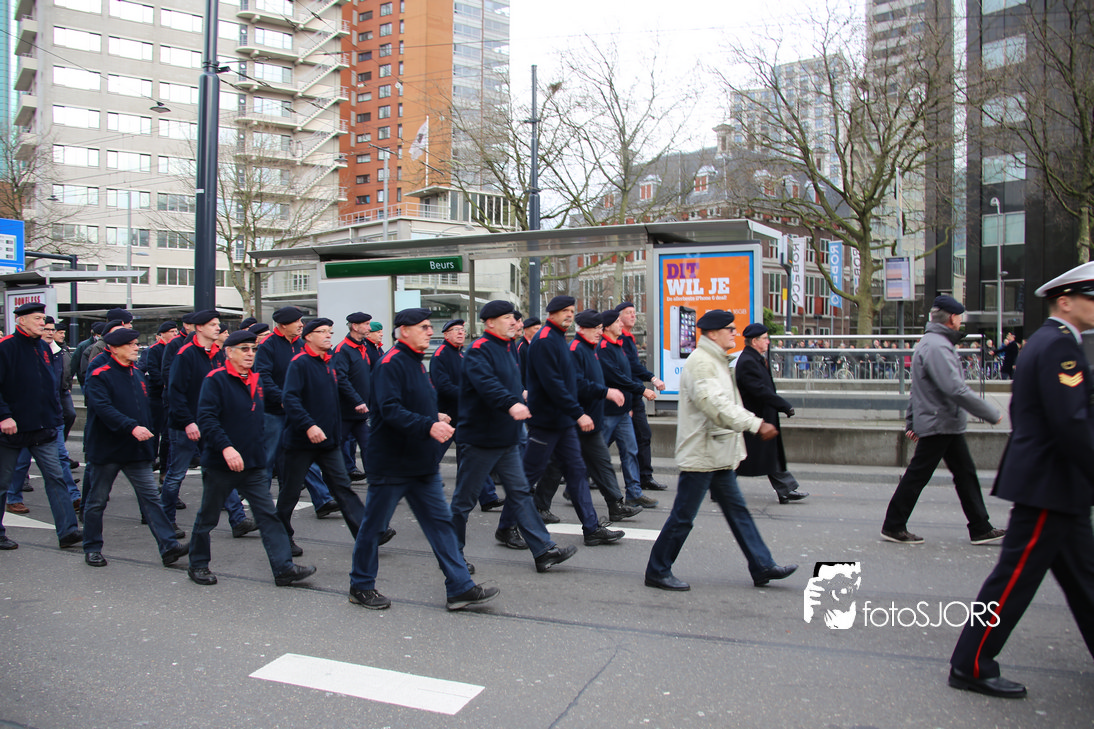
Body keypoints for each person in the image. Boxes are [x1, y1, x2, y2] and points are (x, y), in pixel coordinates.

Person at [949, 263, 1094, 699]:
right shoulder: (1059, 346)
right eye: (1090, 298)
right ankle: (971, 663)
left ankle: (972, 661)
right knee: (1013, 580)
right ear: (1065, 301)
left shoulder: (1050, 342)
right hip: (1050, 484)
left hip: (1055, 485)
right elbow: (1070, 422)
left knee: (1084, 580)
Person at [349, 308, 500, 611]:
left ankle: (459, 587)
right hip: (391, 464)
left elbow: (414, 402)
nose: (430, 332)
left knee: (441, 525)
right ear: (404, 331)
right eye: (424, 327)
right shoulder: (390, 364)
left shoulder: (416, 362)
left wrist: (435, 415)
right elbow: (389, 409)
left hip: (421, 463)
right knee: (374, 528)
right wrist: (429, 425)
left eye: (430, 327)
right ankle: (361, 585)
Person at [645, 309, 797, 592]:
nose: (735, 333)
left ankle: (762, 565)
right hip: (703, 454)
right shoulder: (702, 363)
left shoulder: (716, 360)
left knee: (738, 513)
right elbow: (715, 406)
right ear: (714, 334)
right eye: (730, 329)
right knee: (683, 517)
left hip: (717, 453)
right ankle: (657, 569)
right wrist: (755, 424)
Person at [449, 300, 576, 574]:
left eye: (513, 317)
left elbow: (510, 382)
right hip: (481, 439)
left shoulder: (508, 348)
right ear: (489, 323)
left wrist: (521, 395)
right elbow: (487, 384)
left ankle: (543, 551)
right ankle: (453, 555)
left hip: (506, 437)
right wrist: (511, 403)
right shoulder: (479, 350)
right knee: (463, 502)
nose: (514, 322)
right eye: (507, 317)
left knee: (520, 493)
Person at [189, 329, 316, 587]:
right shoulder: (216, 380)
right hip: (221, 464)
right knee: (208, 516)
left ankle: (283, 568)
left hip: (253, 464)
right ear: (229, 352)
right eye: (245, 349)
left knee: (268, 516)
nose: (251, 354)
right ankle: (198, 564)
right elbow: (207, 419)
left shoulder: (255, 380)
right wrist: (226, 448)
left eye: (254, 349)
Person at [881, 295, 1006, 545]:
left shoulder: (931, 343)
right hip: (940, 421)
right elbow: (955, 389)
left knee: (963, 474)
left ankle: (980, 526)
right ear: (952, 318)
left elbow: (917, 389)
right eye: (959, 317)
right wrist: (990, 413)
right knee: (923, 474)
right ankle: (894, 524)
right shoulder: (938, 347)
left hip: (942, 421)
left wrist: (912, 421)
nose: (961, 321)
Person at [80, 327, 190, 569]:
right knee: (97, 501)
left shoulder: (138, 374)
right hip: (107, 450)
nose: (135, 348)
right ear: (113, 349)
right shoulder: (99, 374)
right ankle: (92, 547)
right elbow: (103, 408)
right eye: (130, 344)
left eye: (135, 343)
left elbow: (144, 410)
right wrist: (131, 427)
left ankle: (169, 546)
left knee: (151, 499)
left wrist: (149, 442)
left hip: (136, 451)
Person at [523, 295, 623, 547]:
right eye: (564, 311)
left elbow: (567, 382)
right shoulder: (545, 340)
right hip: (546, 421)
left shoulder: (558, 338)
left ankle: (591, 528)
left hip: (563, 420)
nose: (569, 314)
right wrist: (578, 413)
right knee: (526, 477)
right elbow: (554, 385)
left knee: (577, 473)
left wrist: (574, 413)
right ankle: (506, 526)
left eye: (571, 310)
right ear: (551, 314)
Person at [534, 309, 642, 523]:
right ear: (582, 329)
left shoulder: (590, 348)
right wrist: (606, 393)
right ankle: (538, 507)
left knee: (602, 463)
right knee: (557, 465)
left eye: (600, 328)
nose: (599, 332)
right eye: (595, 328)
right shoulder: (575, 350)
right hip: (576, 419)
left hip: (591, 420)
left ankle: (615, 505)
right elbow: (577, 384)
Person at [278, 317, 367, 554]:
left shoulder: (328, 362)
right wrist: (309, 426)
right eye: (322, 332)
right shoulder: (299, 363)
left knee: (343, 488)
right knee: (290, 493)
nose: (328, 336)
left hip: (328, 442)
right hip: (300, 443)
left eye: (330, 332)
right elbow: (290, 399)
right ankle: (282, 538)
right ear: (308, 337)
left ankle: (366, 534)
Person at [163, 309, 256, 539]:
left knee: (220, 471)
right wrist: (188, 422)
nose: (218, 328)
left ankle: (238, 520)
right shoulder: (185, 354)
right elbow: (175, 392)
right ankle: (166, 522)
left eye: (218, 324)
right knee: (176, 474)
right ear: (199, 328)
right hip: (186, 425)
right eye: (213, 324)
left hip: (210, 424)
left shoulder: (218, 354)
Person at [0, 302, 82, 550]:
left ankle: (68, 532)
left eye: (43, 319)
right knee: (2, 483)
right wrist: (4, 416)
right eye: (37, 318)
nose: (42, 323)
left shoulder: (44, 347)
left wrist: (55, 417)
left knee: (56, 478)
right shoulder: (6, 347)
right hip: (12, 429)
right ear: (21, 321)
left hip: (44, 428)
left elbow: (49, 386)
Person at [254, 306, 339, 520]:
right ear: (283, 325)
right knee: (267, 460)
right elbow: (262, 376)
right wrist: (283, 399)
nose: (301, 325)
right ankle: (261, 510)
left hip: (298, 412)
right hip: (274, 413)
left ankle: (322, 500)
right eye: (297, 321)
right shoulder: (267, 346)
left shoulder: (301, 345)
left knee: (305, 455)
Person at [430, 318, 505, 514]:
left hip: (463, 415)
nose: (460, 333)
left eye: (462, 330)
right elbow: (443, 386)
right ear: (446, 334)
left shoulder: (462, 354)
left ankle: (488, 497)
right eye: (455, 330)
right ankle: (413, 485)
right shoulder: (440, 355)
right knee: (431, 456)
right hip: (446, 416)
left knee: (472, 457)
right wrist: (468, 394)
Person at [734, 323, 810, 504]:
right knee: (742, 457)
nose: (768, 342)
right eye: (765, 339)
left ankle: (786, 489)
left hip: (762, 416)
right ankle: (719, 487)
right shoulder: (748, 361)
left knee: (767, 454)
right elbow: (760, 390)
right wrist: (783, 405)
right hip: (755, 418)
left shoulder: (754, 358)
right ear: (755, 341)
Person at [598, 308, 659, 508]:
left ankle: (634, 492)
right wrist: (642, 390)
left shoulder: (618, 345)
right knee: (595, 453)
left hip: (622, 410)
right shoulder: (603, 348)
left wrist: (631, 401)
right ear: (607, 327)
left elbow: (628, 371)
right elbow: (616, 377)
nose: (621, 324)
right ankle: (574, 487)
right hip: (607, 410)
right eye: (617, 322)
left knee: (630, 450)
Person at [614, 302, 669, 491]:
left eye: (634, 312)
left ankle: (643, 478)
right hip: (626, 395)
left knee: (641, 436)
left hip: (633, 394)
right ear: (619, 318)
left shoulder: (628, 338)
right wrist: (651, 379)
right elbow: (629, 368)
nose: (633, 316)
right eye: (628, 313)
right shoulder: (619, 340)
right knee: (609, 438)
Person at [332, 312, 373, 481]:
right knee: (334, 448)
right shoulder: (342, 350)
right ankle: (333, 481)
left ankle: (377, 482)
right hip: (345, 413)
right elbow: (340, 379)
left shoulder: (363, 347)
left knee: (369, 445)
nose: (369, 328)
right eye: (366, 324)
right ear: (355, 327)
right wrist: (357, 400)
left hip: (360, 414)